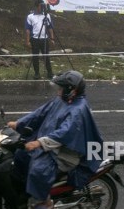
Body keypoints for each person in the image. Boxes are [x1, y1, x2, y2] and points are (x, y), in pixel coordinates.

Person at [7, 70, 103, 209]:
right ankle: (24, 192)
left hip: (65, 152)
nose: (58, 91)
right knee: (20, 155)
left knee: (38, 170)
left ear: (72, 90)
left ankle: (43, 202)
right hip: (51, 143)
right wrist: (19, 123)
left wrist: (39, 142)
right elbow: (40, 113)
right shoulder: (62, 100)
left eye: (61, 88)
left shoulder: (78, 109)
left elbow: (65, 133)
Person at [25, 0, 55, 80]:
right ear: (37, 6)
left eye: (43, 6)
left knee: (46, 57)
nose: (42, 8)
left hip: (44, 39)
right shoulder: (30, 16)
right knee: (35, 57)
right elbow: (28, 29)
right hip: (35, 39)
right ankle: (37, 73)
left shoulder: (47, 15)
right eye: (40, 6)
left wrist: (52, 38)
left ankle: (50, 73)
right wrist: (27, 41)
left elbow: (50, 27)